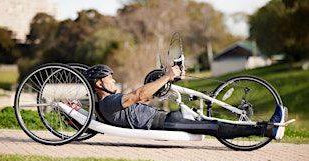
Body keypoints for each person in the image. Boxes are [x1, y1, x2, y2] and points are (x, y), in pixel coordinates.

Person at [83, 64, 286, 140]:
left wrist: (168, 80)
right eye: (109, 78)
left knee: (211, 119)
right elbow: (138, 95)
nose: (114, 80)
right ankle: (268, 129)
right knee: (213, 126)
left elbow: (145, 96)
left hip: (166, 118)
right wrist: (167, 77)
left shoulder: (108, 103)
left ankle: (263, 126)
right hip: (165, 123)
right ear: (99, 83)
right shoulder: (109, 102)